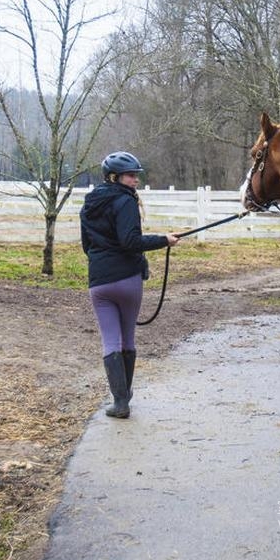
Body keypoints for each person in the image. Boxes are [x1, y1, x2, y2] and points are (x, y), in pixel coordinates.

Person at [80, 151, 180, 419]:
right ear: (115, 177)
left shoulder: (89, 203)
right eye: (131, 175)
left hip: (99, 282)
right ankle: (124, 396)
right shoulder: (125, 202)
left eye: (136, 175)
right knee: (127, 337)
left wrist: (102, 261)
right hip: (127, 279)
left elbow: (86, 246)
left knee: (110, 339)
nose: (136, 180)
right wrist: (163, 240)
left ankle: (120, 401)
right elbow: (130, 242)